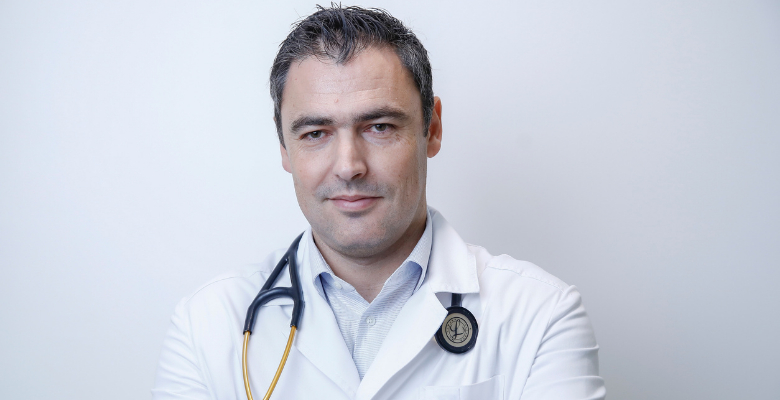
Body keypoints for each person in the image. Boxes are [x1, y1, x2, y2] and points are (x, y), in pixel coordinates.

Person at [153, 5, 606, 400]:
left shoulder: (541, 315)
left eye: (380, 127)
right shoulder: (207, 325)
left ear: (432, 129)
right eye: (316, 133)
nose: (349, 166)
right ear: (284, 149)